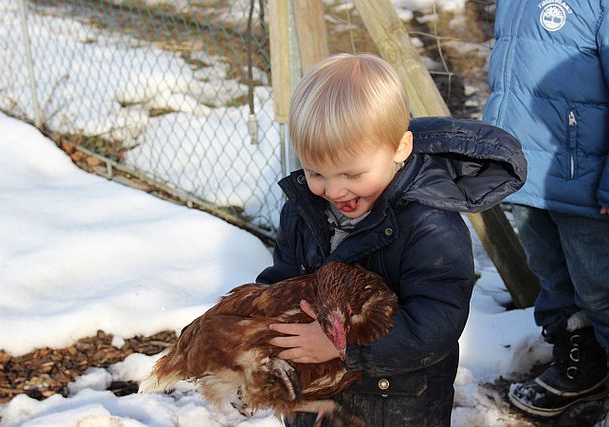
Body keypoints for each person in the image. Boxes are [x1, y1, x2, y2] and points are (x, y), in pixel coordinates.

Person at [256, 53, 526, 426]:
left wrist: (343, 346)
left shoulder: (429, 226)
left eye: (352, 173)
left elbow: (435, 325)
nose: (333, 189)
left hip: (395, 406)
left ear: (400, 148)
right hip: (317, 399)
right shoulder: (303, 211)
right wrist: (261, 323)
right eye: (315, 171)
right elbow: (283, 279)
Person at [482, 0, 609, 421]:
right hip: (527, 171)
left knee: (600, 289)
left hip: (586, 179)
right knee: (552, 277)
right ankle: (581, 365)